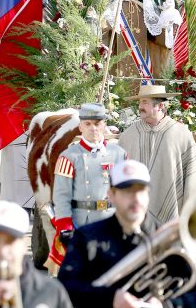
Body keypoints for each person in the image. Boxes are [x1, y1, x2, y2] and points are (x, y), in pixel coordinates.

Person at [58, 160, 196, 307]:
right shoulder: (87, 238)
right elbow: (64, 288)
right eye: (127, 191)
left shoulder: (170, 239)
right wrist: (111, 298)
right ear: (111, 195)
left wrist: (165, 305)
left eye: (141, 190)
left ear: (148, 194)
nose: (135, 198)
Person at [49, 103, 127, 270]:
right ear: (80, 126)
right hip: (81, 222)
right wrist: (65, 226)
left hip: (111, 220)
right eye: (88, 124)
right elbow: (61, 196)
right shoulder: (68, 157)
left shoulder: (119, 154)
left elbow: (125, 191)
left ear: (104, 125)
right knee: (82, 272)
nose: (93, 128)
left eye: (97, 123)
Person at [118, 83, 196, 228]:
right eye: (140, 102)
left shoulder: (181, 134)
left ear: (160, 106)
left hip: (171, 219)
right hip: (134, 217)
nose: (140, 106)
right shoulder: (128, 136)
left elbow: (192, 179)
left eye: (145, 102)